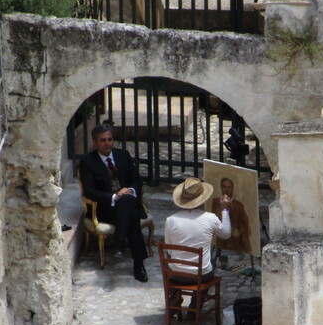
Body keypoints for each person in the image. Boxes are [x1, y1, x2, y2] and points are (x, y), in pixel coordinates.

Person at [80, 122, 149, 282]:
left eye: (110, 139)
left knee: (128, 203)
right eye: (103, 140)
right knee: (130, 211)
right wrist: (114, 197)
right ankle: (138, 264)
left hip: (127, 202)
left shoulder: (122, 155)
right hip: (105, 208)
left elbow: (137, 180)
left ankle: (120, 241)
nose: (107, 143)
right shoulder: (87, 162)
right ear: (95, 142)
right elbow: (89, 191)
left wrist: (130, 190)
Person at [165, 177, 232, 314]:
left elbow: (169, 250)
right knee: (209, 263)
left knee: (170, 259)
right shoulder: (210, 218)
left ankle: (174, 295)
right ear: (202, 198)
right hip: (201, 275)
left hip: (176, 274)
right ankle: (195, 305)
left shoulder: (170, 220)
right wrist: (224, 210)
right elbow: (226, 234)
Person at [210, 177, 251, 254]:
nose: (226, 189)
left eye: (229, 187)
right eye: (224, 186)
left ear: (232, 189)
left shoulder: (239, 205)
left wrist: (239, 231)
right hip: (222, 238)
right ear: (221, 188)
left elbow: (245, 223)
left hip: (236, 240)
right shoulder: (216, 202)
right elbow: (214, 219)